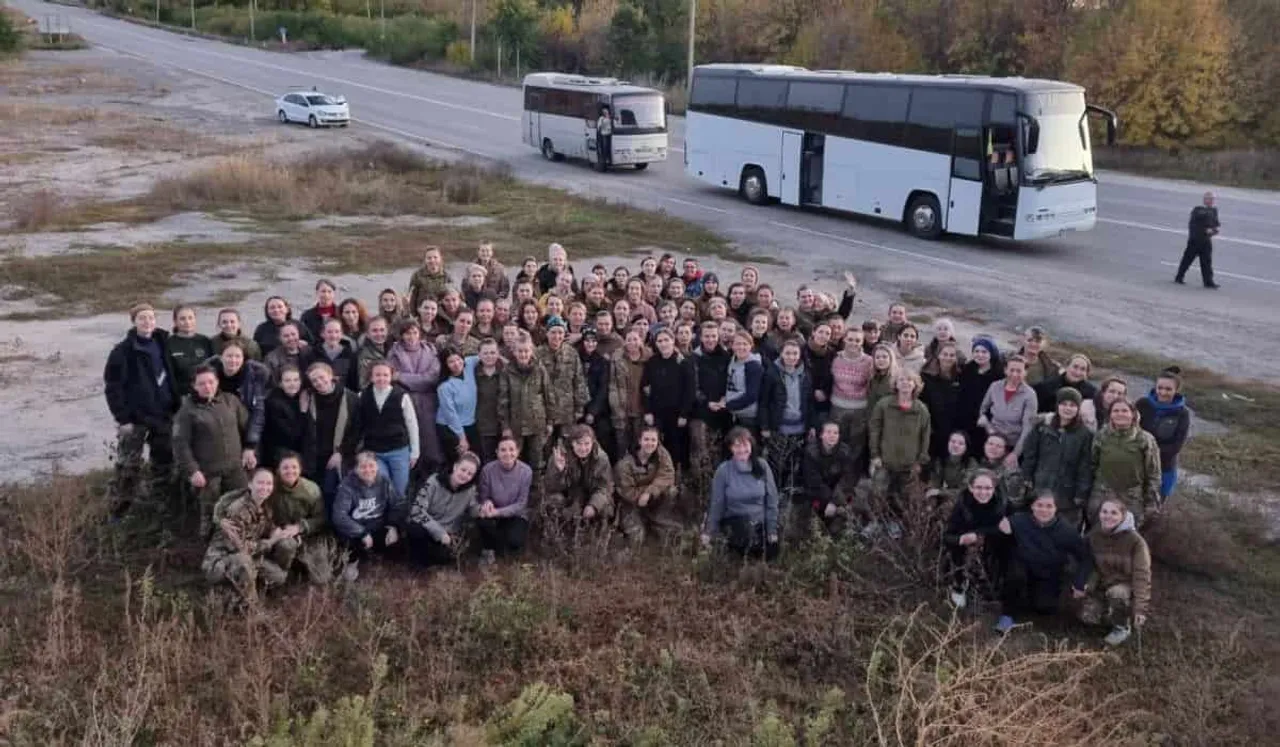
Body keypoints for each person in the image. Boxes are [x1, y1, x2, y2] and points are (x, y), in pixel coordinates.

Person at [104, 302, 178, 512]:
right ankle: (120, 509)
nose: (147, 322)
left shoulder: (162, 343)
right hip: (135, 418)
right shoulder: (122, 351)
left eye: (151, 318)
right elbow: (113, 388)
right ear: (134, 321)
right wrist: (123, 419)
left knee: (163, 461)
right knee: (128, 465)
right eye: (142, 318)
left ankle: (160, 504)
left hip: (163, 414)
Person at [993, 492, 1092, 634]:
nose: (1044, 510)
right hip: (1022, 568)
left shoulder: (1066, 531)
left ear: (1056, 508)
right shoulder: (1018, 521)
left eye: (1049, 506)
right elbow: (998, 541)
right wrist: (1002, 531)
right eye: (1039, 505)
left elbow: (1085, 557)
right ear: (1032, 506)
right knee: (1015, 576)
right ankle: (1007, 615)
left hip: (1048, 573)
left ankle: (1029, 598)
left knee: (1044, 608)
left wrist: (1080, 582)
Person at [173, 365, 251, 538]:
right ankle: (208, 541)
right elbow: (180, 444)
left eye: (211, 382)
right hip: (208, 472)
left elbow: (247, 428)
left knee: (242, 504)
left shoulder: (231, 400)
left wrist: (250, 449)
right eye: (202, 383)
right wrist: (193, 471)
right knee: (210, 511)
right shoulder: (187, 411)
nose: (207, 387)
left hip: (235, 468)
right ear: (194, 386)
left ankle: (241, 538)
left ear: (217, 382)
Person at [201, 468, 289, 602]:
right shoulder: (238, 509)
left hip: (247, 558)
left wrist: (278, 532)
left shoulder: (264, 507)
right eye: (260, 483)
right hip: (220, 562)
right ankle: (252, 608)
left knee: (279, 577)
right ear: (250, 484)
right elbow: (242, 548)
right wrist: (271, 542)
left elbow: (268, 526)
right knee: (244, 561)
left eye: (268, 483)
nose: (264, 487)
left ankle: (242, 589)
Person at [868, 371, 932, 538]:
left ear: (915, 385)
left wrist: (920, 461)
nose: (905, 383)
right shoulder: (884, 404)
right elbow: (874, 429)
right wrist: (875, 454)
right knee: (878, 492)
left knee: (902, 497)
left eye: (909, 380)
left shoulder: (921, 409)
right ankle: (875, 522)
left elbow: (925, 436)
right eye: (901, 380)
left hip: (909, 464)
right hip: (884, 461)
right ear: (895, 384)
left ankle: (894, 523)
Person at [342, 361, 420, 498]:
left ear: (391, 376)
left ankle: (398, 517)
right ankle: (381, 518)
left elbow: (412, 424)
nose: (381, 378)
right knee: (382, 487)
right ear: (371, 377)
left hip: (399, 450)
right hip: (374, 452)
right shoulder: (362, 396)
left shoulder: (401, 396)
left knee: (400, 490)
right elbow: (358, 425)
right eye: (377, 375)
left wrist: (415, 452)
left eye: (385, 375)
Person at [1081, 498, 1152, 646]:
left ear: (1123, 516)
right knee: (1087, 618)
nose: (1108, 516)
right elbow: (1089, 563)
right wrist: (1086, 584)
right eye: (1104, 512)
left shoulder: (1136, 542)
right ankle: (1108, 611)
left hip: (1125, 585)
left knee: (1117, 594)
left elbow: (1142, 575)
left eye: (1114, 513)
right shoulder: (1094, 535)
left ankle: (1122, 627)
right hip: (1103, 582)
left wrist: (1140, 608)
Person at [701, 427, 780, 561]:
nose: (742, 450)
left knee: (772, 549)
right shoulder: (724, 470)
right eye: (737, 446)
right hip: (736, 520)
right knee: (746, 539)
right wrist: (709, 532)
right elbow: (716, 504)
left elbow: (772, 500)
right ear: (731, 448)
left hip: (760, 521)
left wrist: (772, 530)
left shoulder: (762, 466)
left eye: (745, 445)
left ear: (751, 446)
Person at [1021, 388, 1094, 529]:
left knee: (1065, 529)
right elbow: (1030, 454)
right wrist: (1027, 476)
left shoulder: (1085, 435)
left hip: (1067, 493)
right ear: (1057, 405)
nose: (1068, 408)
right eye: (1064, 404)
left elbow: (1085, 466)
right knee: (1037, 526)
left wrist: (1081, 493)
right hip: (1042, 485)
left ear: (1078, 408)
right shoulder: (1042, 428)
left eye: (1072, 405)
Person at [332, 452, 406, 579]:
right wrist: (362, 533)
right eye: (363, 467)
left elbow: (396, 504)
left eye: (371, 466)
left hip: (378, 526)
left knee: (402, 536)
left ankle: (378, 555)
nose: (368, 470)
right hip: (356, 530)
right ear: (355, 469)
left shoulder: (384, 481)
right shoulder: (347, 486)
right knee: (347, 538)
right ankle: (351, 562)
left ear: (377, 466)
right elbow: (339, 516)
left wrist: (393, 526)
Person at [943, 469, 1009, 610]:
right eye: (978, 487)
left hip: (993, 546)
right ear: (971, 488)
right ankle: (959, 585)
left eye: (988, 488)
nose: (983, 492)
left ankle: (996, 586)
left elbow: (1007, 530)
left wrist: (981, 533)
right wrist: (960, 539)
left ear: (994, 488)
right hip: (967, 548)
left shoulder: (1003, 504)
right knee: (956, 548)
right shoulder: (962, 505)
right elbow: (948, 536)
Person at [1090, 398, 1161, 527]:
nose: (1120, 414)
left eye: (1124, 410)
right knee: (1097, 533)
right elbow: (1092, 464)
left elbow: (1153, 474)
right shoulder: (1101, 435)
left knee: (1126, 536)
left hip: (1132, 497)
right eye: (1115, 410)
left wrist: (1151, 502)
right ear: (1110, 414)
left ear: (1133, 414)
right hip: (1102, 494)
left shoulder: (1145, 439)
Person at [263, 453, 331, 584]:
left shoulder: (311, 489)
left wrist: (300, 527)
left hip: (308, 537)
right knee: (286, 546)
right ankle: (279, 578)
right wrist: (275, 530)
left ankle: (301, 565)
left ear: (300, 469)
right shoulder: (270, 488)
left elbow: (321, 518)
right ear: (278, 470)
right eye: (285, 468)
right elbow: (263, 514)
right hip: (281, 535)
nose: (290, 471)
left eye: (294, 467)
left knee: (322, 579)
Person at [760, 340, 815, 500]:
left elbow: (809, 402)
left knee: (792, 463)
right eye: (788, 353)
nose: (791, 357)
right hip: (779, 427)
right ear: (781, 354)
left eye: (795, 354)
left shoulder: (805, 374)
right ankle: (772, 492)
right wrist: (765, 426)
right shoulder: (772, 373)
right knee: (776, 463)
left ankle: (785, 492)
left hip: (799, 427)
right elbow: (764, 402)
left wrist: (811, 425)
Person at [406, 454, 481, 568]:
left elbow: (473, 511)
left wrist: (483, 510)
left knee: (444, 557)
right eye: (463, 470)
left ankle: (430, 557)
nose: (465, 475)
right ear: (455, 467)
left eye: (470, 474)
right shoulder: (434, 480)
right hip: (428, 527)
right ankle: (417, 566)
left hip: (448, 533)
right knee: (415, 530)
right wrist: (439, 532)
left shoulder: (471, 490)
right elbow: (417, 510)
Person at [387, 321, 444, 471]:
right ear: (401, 335)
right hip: (405, 401)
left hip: (428, 403)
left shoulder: (431, 350)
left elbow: (432, 378)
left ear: (419, 334)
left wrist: (403, 377)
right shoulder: (394, 353)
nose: (411, 337)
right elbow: (392, 378)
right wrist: (418, 379)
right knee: (409, 440)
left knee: (430, 442)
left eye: (414, 332)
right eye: (407, 333)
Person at [614, 426, 681, 545]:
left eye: (653, 440)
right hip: (630, 504)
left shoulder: (662, 455)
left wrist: (649, 492)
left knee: (671, 491)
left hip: (652, 500)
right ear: (640, 441)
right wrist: (644, 495)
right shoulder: (625, 464)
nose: (650, 443)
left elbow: (668, 476)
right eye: (646, 439)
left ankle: (656, 518)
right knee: (637, 539)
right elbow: (627, 492)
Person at [544, 425, 615, 537]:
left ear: (593, 442)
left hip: (591, 494)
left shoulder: (601, 458)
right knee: (554, 501)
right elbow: (550, 487)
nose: (583, 448)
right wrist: (559, 471)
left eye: (587, 444)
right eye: (579, 443)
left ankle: (598, 534)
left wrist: (593, 505)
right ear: (572, 443)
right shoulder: (559, 456)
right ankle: (558, 533)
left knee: (605, 507)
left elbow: (605, 487)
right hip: (569, 495)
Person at [498, 335, 553, 473]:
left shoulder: (540, 369)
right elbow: (503, 401)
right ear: (514, 352)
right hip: (515, 425)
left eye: (526, 351)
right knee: (514, 460)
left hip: (537, 424)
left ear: (531, 351)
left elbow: (548, 395)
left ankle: (536, 490)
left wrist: (550, 421)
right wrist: (505, 426)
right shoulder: (507, 371)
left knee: (537, 460)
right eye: (520, 351)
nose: (523, 354)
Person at [642, 328, 695, 468]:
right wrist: (648, 411)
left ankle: (677, 478)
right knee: (658, 446)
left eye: (666, 340)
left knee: (677, 446)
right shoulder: (652, 362)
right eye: (660, 341)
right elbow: (646, 388)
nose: (663, 343)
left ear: (673, 341)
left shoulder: (683, 362)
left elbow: (690, 390)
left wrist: (684, 413)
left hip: (677, 414)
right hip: (658, 412)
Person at [1135, 368, 1191, 501]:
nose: (1163, 392)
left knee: (1154, 506)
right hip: (1136, 464)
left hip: (1163, 468)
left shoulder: (1182, 413)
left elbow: (1176, 446)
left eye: (1168, 389)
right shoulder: (1142, 404)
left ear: (1176, 390)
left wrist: (1149, 452)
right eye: (1160, 388)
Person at [207, 342, 269, 461]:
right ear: (221, 357)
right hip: (216, 434)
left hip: (245, 431)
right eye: (229, 356)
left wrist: (250, 445)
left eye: (237, 356)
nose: (233, 360)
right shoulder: (209, 377)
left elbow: (257, 413)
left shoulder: (253, 378)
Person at [475, 437, 532, 563]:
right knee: (482, 519)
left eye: (511, 449)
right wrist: (487, 502)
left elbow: (521, 504)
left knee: (514, 541)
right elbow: (483, 496)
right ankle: (488, 549)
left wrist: (499, 512)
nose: (507, 453)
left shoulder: (526, 471)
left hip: (516, 514)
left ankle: (502, 544)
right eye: (503, 450)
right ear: (497, 452)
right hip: (493, 512)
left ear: (518, 451)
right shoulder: (487, 470)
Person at [799, 421, 858, 538]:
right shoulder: (811, 452)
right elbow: (814, 481)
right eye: (829, 432)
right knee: (812, 519)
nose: (832, 436)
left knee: (850, 505)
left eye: (836, 433)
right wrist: (828, 501)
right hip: (816, 492)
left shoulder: (845, 451)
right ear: (821, 435)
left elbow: (847, 478)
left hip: (838, 493)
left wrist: (834, 501)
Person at [977, 354, 1038, 467]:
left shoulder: (1030, 395)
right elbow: (983, 409)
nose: (1015, 374)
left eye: (1019, 371)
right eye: (1012, 370)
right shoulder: (995, 386)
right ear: (1005, 370)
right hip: (992, 441)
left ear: (1025, 372)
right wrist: (989, 428)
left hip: (1012, 445)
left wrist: (1015, 453)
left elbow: (1028, 428)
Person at [537, 318, 589, 447]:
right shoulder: (538, 354)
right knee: (545, 447)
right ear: (547, 333)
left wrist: (580, 407)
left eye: (560, 332)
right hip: (545, 412)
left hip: (567, 411)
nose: (557, 336)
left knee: (567, 446)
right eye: (553, 332)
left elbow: (579, 381)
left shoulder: (571, 353)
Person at [829, 328, 873, 468]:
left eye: (857, 340)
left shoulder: (869, 361)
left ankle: (850, 478)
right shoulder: (835, 358)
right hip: (837, 407)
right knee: (836, 442)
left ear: (862, 342)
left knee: (856, 446)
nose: (854, 343)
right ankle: (835, 472)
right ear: (844, 340)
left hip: (859, 409)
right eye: (851, 339)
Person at [259, 366, 315, 472]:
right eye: (287, 380)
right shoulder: (273, 403)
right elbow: (290, 435)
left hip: (302, 455)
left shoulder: (301, 397)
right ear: (280, 383)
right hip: (281, 456)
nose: (292, 384)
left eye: (296, 380)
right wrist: (303, 412)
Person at [607, 328, 651, 456]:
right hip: (622, 408)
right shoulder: (617, 358)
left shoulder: (649, 358)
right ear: (624, 342)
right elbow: (613, 385)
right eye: (629, 339)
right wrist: (616, 408)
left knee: (639, 442)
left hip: (641, 408)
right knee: (622, 444)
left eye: (635, 339)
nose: (632, 342)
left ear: (641, 341)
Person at [920, 341, 962, 461]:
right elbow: (922, 402)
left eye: (952, 355)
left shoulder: (960, 376)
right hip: (931, 427)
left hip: (952, 428)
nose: (948, 358)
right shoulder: (926, 376)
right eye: (945, 354)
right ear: (938, 355)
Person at [437, 351, 480, 467]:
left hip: (469, 423)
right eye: (451, 362)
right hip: (450, 427)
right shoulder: (444, 386)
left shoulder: (469, 364)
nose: (456, 364)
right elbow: (450, 414)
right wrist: (461, 438)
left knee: (475, 459)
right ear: (445, 365)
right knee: (459, 462)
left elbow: (486, 355)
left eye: (458, 359)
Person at [578, 329, 614, 458]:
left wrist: (593, 411)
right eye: (587, 341)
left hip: (598, 409)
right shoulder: (576, 358)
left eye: (593, 341)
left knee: (603, 435)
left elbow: (603, 388)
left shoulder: (602, 361)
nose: (590, 344)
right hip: (579, 407)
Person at [1174, 191, 1221, 288]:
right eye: (1209, 199)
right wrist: (1206, 229)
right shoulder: (1198, 210)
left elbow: (1215, 224)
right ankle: (1179, 277)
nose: (1211, 201)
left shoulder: (1213, 211)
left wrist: (1213, 230)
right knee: (1187, 260)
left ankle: (1208, 282)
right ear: (1204, 200)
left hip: (1206, 241)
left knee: (1207, 262)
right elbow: (1198, 221)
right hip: (1195, 240)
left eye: (1212, 199)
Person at [166, 304, 212, 400]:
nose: (187, 322)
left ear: (195, 319)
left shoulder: (205, 341)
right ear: (175, 322)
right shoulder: (169, 344)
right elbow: (169, 376)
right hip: (182, 397)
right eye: (182, 319)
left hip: (206, 394)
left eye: (190, 318)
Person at [302, 319, 358, 392]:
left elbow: (353, 381)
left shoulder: (350, 355)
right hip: (319, 394)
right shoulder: (312, 354)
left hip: (342, 394)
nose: (333, 335)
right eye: (329, 332)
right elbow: (307, 378)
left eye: (337, 332)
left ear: (341, 334)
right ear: (322, 334)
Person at [725, 331, 766, 432]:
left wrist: (728, 405)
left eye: (745, 344)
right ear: (732, 346)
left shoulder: (753, 366)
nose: (741, 347)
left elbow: (752, 395)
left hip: (747, 416)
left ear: (751, 346)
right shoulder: (733, 360)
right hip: (734, 413)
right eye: (738, 344)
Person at [473, 339, 505, 462]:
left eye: (492, 352)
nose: (489, 356)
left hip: (504, 426)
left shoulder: (506, 371)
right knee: (487, 460)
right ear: (479, 355)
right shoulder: (473, 372)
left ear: (498, 353)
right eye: (485, 353)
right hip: (483, 426)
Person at [927, 431, 970, 509]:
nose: (955, 445)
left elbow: (964, 490)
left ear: (966, 447)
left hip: (964, 500)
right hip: (946, 496)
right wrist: (931, 503)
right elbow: (934, 484)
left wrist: (940, 492)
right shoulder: (940, 461)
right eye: (952, 441)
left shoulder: (971, 463)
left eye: (961, 443)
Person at [407, 246, 454, 315]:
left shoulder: (446, 276)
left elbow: (452, 297)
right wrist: (413, 315)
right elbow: (412, 298)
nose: (432, 260)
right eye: (429, 258)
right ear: (425, 260)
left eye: (435, 257)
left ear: (440, 259)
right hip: (423, 313)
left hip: (441, 314)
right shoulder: (417, 275)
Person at [264, 321, 310, 387]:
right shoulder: (271, 358)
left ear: (299, 334)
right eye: (286, 336)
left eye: (293, 334)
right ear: (279, 338)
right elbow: (270, 384)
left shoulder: (309, 351)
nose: (291, 338)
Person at [354, 316, 392, 391]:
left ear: (387, 331)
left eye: (382, 330)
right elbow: (363, 384)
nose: (379, 334)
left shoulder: (393, 349)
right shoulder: (362, 355)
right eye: (374, 331)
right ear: (367, 334)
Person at [595, 104, 613, 169]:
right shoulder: (601, 118)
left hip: (610, 134)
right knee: (605, 147)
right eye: (604, 112)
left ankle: (609, 158)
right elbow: (598, 126)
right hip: (604, 134)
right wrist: (603, 125)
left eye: (606, 111)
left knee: (610, 146)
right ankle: (604, 159)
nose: (605, 113)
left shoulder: (611, 117)